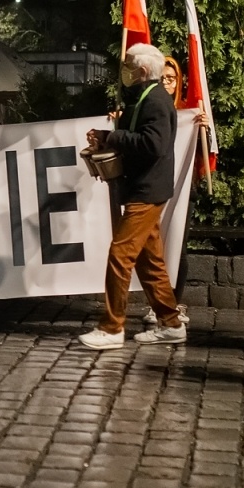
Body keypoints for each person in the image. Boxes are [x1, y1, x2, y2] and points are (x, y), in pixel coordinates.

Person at [78, 43, 185, 350]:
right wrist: (109, 134)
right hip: (148, 188)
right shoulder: (149, 99)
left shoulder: (154, 102)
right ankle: (171, 323)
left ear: (140, 71)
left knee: (120, 255)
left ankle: (112, 327)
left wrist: (113, 136)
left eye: (127, 65)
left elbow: (153, 145)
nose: (123, 69)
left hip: (147, 190)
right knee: (150, 262)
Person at [140, 56, 209, 329]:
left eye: (171, 79)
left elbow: (205, 151)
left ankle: (173, 301)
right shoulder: (147, 110)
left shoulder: (187, 113)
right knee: (153, 246)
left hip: (181, 189)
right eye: (162, 79)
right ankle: (155, 302)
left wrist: (203, 129)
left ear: (179, 82)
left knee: (177, 245)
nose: (167, 84)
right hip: (154, 186)